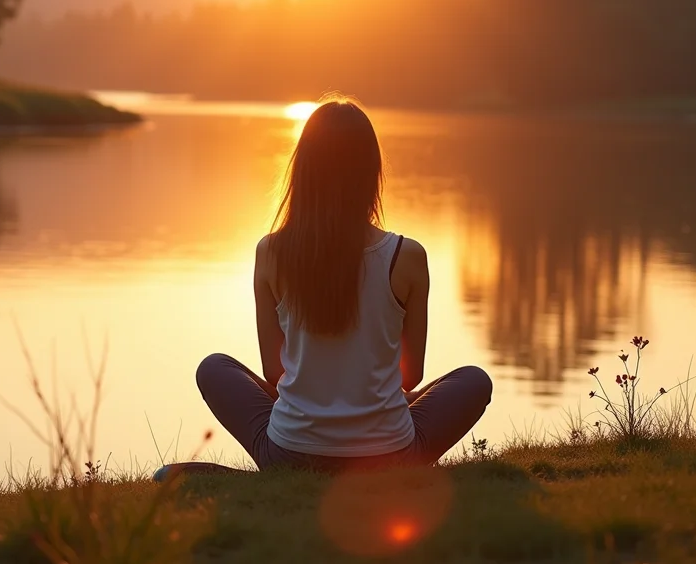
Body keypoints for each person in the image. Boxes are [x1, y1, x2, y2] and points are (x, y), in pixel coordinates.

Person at [189, 98, 492, 473]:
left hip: (289, 454)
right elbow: (410, 376)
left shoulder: (270, 252)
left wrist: (319, 394)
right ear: (372, 173)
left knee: (214, 369)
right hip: (388, 457)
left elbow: (275, 371)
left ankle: (240, 472)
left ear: (303, 171)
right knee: (474, 382)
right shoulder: (407, 256)